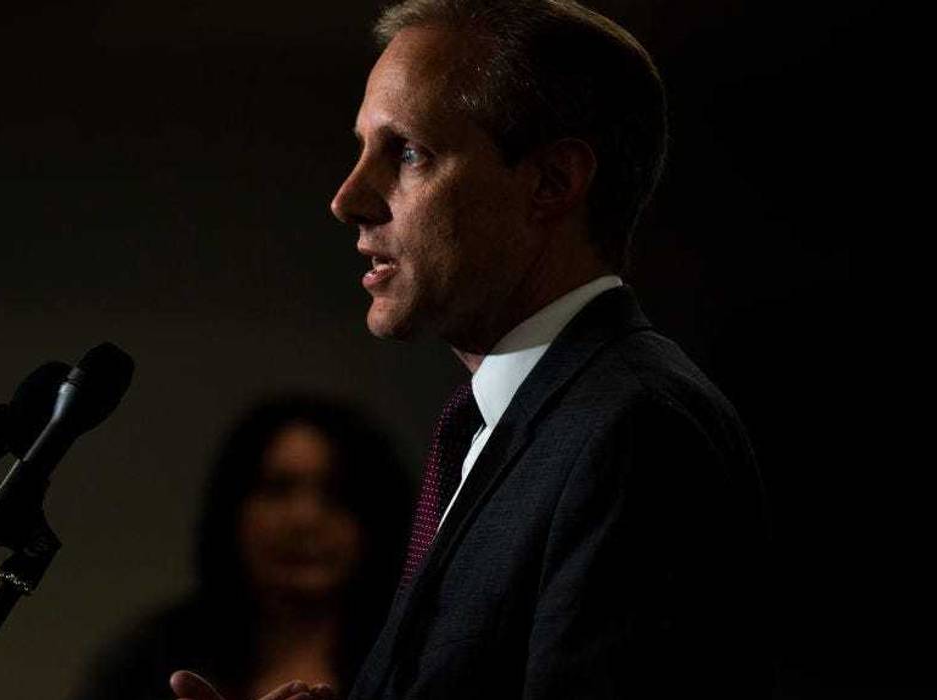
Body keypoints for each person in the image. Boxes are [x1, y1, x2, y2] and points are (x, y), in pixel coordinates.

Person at [172, 1, 771, 698]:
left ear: (551, 183)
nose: (348, 198)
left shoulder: (633, 428)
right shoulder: (518, 423)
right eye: (362, 149)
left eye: (408, 152)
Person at [78, 396, 413, 700]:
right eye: (277, 489)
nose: (304, 519)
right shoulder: (148, 665)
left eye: (336, 494)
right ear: (232, 510)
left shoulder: (418, 660)